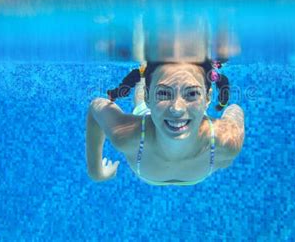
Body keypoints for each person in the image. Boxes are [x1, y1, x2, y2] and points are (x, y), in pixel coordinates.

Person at [86, 59, 245, 186]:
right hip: (158, 115)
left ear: (208, 98)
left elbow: (235, 110)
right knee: (143, 102)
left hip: (185, 117)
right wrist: (96, 172)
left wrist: (225, 158)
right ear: (149, 97)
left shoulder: (227, 140)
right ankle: (147, 76)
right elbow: (96, 107)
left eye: (192, 93)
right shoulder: (126, 135)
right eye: (163, 93)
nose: (177, 109)